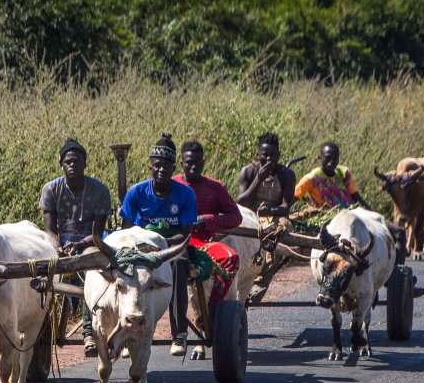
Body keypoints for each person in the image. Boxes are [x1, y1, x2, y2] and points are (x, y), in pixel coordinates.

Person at [119, 132, 198, 355]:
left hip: (171, 249)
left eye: (167, 166)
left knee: (180, 265)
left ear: (174, 169)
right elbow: (126, 231)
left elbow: (184, 235)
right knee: (122, 273)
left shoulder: (186, 194)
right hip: (137, 248)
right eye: (157, 165)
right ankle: (124, 335)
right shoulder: (136, 192)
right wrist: (142, 248)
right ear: (150, 167)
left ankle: (179, 335)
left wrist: (159, 246)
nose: (162, 170)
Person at [40, 138, 112, 357]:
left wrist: (80, 244)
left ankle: (88, 332)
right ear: (61, 164)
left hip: (89, 242)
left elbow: (98, 234)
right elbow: (50, 230)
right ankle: (39, 326)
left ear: (85, 164)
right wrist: (58, 247)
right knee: (41, 272)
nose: (72, 165)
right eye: (68, 161)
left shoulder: (99, 191)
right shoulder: (51, 189)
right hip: (61, 243)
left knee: (90, 271)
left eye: (77, 161)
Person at [173, 141, 242, 356]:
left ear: (203, 162)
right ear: (181, 163)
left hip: (204, 244)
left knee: (231, 258)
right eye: (189, 163)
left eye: (197, 163)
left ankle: (211, 310)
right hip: (175, 244)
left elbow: (235, 217)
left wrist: (208, 220)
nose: (193, 168)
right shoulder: (171, 185)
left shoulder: (215, 187)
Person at [236, 132, 296, 304]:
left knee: (278, 238)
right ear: (258, 154)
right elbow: (241, 202)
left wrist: (270, 210)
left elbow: (285, 207)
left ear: (278, 155)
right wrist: (259, 178)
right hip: (250, 216)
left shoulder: (287, 175)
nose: (269, 158)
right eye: (265, 155)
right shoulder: (248, 172)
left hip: (276, 218)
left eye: (272, 155)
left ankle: (258, 285)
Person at [294, 141, 370, 210]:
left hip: (349, 213)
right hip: (326, 217)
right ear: (320, 157)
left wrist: (370, 211)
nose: (331, 162)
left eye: (335, 158)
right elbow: (294, 197)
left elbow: (355, 196)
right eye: (327, 158)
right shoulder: (311, 178)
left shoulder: (344, 173)